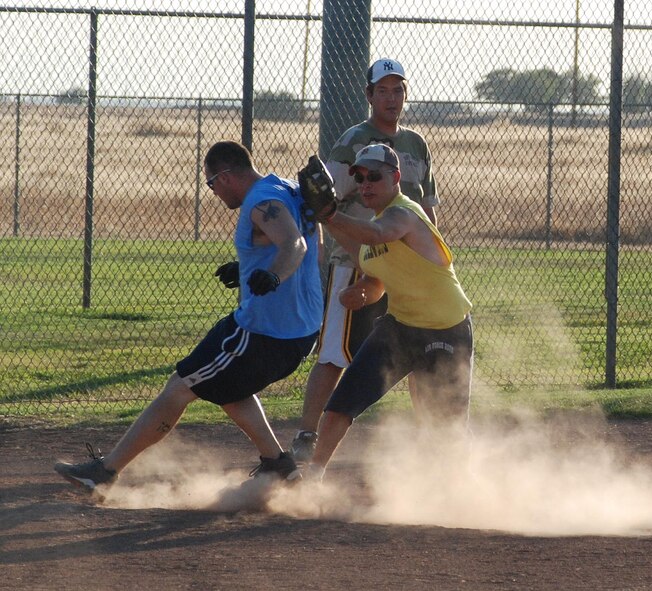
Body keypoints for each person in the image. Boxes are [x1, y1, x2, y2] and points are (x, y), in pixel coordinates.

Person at [54, 140, 323, 491]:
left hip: (264, 332)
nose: (212, 191)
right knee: (226, 385)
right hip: (302, 331)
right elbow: (306, 241)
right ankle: (277, 464)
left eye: (211, 183)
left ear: (225, 176)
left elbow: (294, 245)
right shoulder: (286, 188)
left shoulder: (260, 202)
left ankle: (104, 472)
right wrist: (248, 266)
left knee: (181, 386)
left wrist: (271, 274)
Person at [290, 57, 440, 461]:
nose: (392, 98)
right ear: (369, 95)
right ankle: (306, 435)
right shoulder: (354, 140)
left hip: (407, 270)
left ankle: (431, 444)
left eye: (398, 90)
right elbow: (327, 200)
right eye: (383, 90)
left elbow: (428, 209)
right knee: (336, 353)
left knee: (419, 352)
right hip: (357, 261)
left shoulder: (416, 144)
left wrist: (429, 259)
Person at [303, 143, 473, 479]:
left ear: (395, 178)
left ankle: (457, 490)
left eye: (374, 176)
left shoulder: (404, 214)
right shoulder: (372, 229)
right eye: (360, 177)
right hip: (401, 328)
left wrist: (332, 213)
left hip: (446, 328)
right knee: (341, 404)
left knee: (444, 428)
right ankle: (313, 477)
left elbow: (379, 233)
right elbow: (376, 280)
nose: (365, 183)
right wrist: (362, 292)